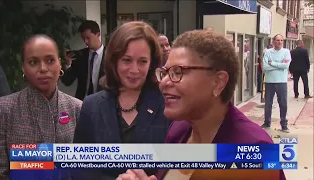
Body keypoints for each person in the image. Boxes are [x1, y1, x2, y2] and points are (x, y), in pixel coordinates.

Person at [116, 30, 286, 180]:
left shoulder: (254, 150)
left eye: (178, 72)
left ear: (218, 82)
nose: (164, 82)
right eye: (165, 73)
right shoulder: (178, 130)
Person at [73, 21, 171, 180]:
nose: (134, 70)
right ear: (114, 60)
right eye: (127, 60)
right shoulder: (92, 106)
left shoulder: (167, 105)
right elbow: (80, 169)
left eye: (142, 61)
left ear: (152, 63)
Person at [0, 34, 82, 179]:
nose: (43, 68)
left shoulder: (77, 108)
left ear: (60, 64)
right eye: (33, 62)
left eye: (50, 60)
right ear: (23, 67)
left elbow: (84, 168)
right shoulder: (2, 109)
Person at [61, 20, 105, 100]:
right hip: (83, 103)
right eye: (83, 38)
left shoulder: (110, 55)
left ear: (98, 34)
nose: (85, 41)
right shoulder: (80, 55)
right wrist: (68, 64)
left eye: (88, 38)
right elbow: (67, 81)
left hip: (103, 103)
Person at [262, 34, 291, 132]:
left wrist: (272, 63)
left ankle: (284, 124)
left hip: (281, 82)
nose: (279, 42)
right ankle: (267, 123)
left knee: (283, 104)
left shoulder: (286, 52)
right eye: (277, 40)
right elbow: (265, 67)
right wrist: (279, 65)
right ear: (273, 41)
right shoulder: (268, 52)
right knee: (268, 103)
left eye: (281, 40)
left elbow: (285, 66)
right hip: (269, 82)